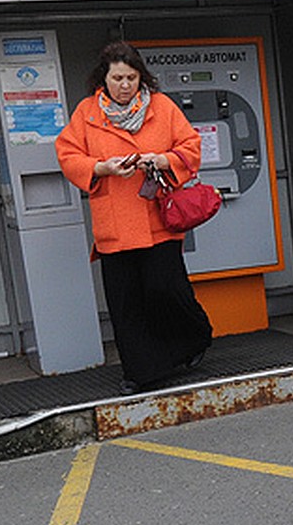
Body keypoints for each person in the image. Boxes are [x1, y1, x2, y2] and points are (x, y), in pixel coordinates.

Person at [56, 40, 212, 395]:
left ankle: (194, 338)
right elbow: (67, 154)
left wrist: (159, 160)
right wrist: (102, 167)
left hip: (157, 219)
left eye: (131, 77)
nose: (125, 85)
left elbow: (190, 146)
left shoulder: (162, 106)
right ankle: (141, 372)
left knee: (166, 290)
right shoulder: (87, 112)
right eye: (118, 78)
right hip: (114, 224)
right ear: (104, 79)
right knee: (126, 303)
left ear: (141, 77)